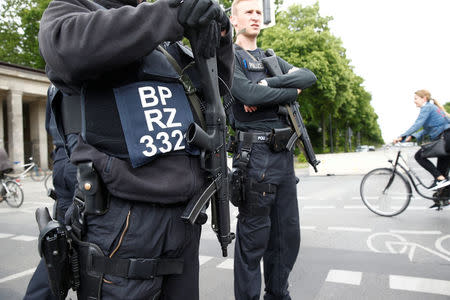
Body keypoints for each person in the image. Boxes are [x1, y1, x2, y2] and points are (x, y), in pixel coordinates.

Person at [37, 0, 233, 299]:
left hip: (184, 219)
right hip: (121, 221)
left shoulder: (166, 44)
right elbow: (66, 47)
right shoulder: (74, 9)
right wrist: (170, 14)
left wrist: (219, 34)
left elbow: (218, 94)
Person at [228, 0, 317, 299]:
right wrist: (288, 92)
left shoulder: (272, 58)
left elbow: (308, 77)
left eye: (258, 12)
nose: (255, 16)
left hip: (283, 156)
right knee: (253, 242)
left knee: (287, 238)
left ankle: (278, 295)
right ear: (234, 20)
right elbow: (245, 93)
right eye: (248, 12)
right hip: (255, 159)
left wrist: (270, 83)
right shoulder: (229, 56)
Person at [23, 85, 80, 300]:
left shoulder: (54, 83)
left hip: (64, 163)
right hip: (82, 164)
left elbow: (52, 126)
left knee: (57, 252)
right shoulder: (92, 65)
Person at [393, 89, 450, 191]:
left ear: (424, 98)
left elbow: (418, 124)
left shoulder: (426, 107)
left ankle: (441, 184)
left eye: (416, 98)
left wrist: (402, 135)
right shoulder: (432, 108)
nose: (414, 101)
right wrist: (412, 136)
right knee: (441, 175)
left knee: (419, 156)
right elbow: (427, 129)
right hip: (447, 140)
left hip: (445, 140)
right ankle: (441, 201)